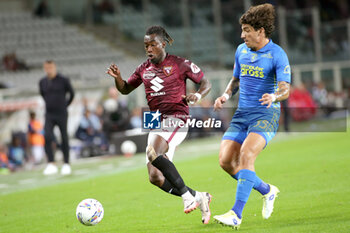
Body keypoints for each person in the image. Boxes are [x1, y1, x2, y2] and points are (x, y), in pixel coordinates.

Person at [106, 25, 213, 224]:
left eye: (153, 45)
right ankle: (200, 197)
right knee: (155, 177)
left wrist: (198, 94)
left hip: (176, 116)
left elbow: (206, 83)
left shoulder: (180, 64)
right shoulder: (143, 69)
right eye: (146, 45)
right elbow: (126, 89)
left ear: (163, 44)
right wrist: (118, 79)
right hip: (154, 119)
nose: (148, 49)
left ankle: (187, 198)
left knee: (152, 152)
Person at [213, 4, 291, 229]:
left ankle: (236, 214)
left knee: (247, 154)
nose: (242, 34)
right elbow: (236, 79)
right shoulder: (241, 51)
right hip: (242, 114)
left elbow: (286, 89)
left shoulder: (277, 54)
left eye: (247, 30)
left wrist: (274, 96)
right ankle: (267, 190)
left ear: (261, 31)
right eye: (242, 30)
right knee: (226, 161)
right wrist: (226, 95)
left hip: (265, 114)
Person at [39, 60, 75, 175]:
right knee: (47, 136)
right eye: (46, 68)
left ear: (54, 67)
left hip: (61, 113)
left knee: (64, 137)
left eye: (50, 68)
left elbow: (72, 93)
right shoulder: (42, 82)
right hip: (49, 114)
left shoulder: (63, 80)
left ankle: (66, 163)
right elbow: (43, 95)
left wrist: (65, 105)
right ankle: (51, 163)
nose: (49, 70)